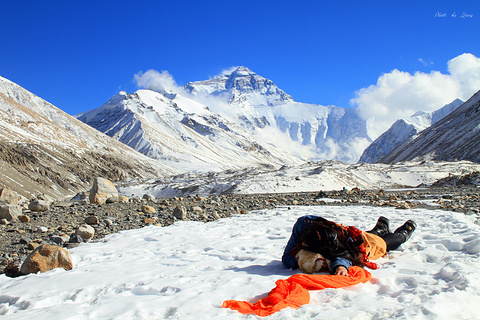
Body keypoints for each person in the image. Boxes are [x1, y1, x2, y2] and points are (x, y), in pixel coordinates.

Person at [282, 215, 416, 276]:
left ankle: (403, 233)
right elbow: (286, 257)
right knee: (368, 234)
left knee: (380, 243)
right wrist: (300, 260)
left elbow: (344, 255)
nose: (303, 244)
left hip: (360, 245)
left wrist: (340, 266)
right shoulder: (303, 224)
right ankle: (381, 228)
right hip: (353, 234)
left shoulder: (337, 240)